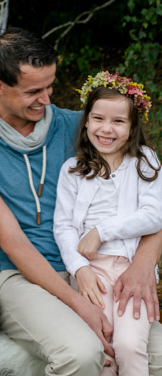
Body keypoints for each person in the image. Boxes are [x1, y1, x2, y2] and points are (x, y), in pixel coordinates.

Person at [0, 28, 162, 375]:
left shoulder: (83, 128)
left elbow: (150, 202)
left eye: (50, 86)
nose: (46, 99)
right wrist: (78, 304)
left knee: (152, 354)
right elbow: (13, 243)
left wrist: (143, 265)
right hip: (21, 275)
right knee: (82, 352)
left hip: (97, 265)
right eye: (33, 91)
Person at [53, 71, 162, 376]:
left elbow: (154, 215)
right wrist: (80, 269)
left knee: (129, 345)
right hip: (92, 272)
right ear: (86, 120)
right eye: (98, 118)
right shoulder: (72, 170)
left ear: (132, 125)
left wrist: (101, 231)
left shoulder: (145, 161)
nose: (106, 129)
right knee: (103, 346)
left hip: (132, 270)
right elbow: (63, 228)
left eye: (118, 121)